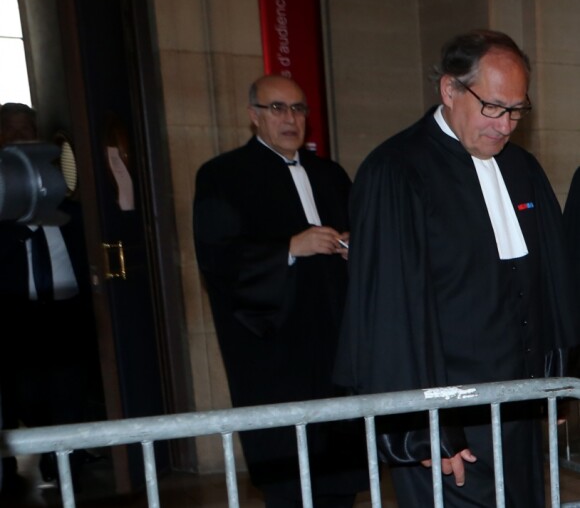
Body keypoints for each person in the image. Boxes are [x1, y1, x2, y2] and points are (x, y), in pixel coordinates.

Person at [334, 30, 580, 507]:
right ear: (449, 90)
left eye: (516, 110)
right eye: (492, 107)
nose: (505, 125)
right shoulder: (397, 171)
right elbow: (391, 316)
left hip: (520, 414)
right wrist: (424, 429)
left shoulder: (522, 169)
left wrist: (554, 386)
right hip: (449, 423)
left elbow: (550, 286)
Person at [193, 75, 368, 507]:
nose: (290, 118)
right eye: (277, 108)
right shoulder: (222, 176)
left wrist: (352, 248)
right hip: (273, 345)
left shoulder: (330, 174)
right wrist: (291, 247)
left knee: (339, 477)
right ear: (254, 116)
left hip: (333, 339)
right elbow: (218, 260)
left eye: (298, 109)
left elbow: (363, 238)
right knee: (290, 477)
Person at [0, 103, 102, 494]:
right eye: (13, 130)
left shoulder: (64, 201)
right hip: (18, 315)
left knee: (70, 393)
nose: (22, 135)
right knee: (27, 397)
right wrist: (23, 226)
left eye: (28, 128)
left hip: (66, 312)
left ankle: (68, 471)